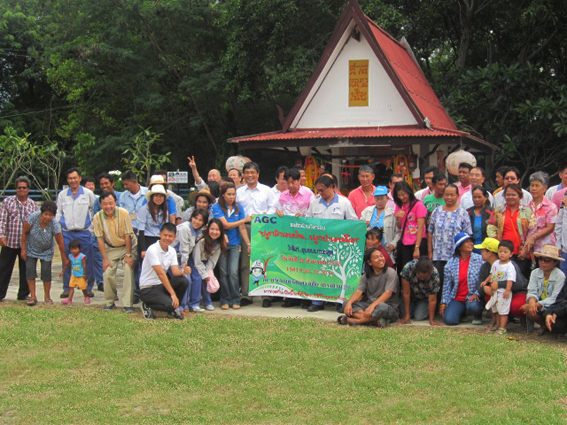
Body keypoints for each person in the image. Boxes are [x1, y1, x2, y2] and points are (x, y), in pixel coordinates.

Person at [306, 175, 357, 312]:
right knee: (318, 273)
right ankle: (317, 301)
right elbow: (308, 221)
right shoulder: (314, 203)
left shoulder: (344, 202)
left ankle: (340, 302)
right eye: (318, 190)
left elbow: (353, 222)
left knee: (338, 274)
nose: (320, 193)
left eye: (322, 190)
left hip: (338, 246)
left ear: (331, 187)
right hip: (319, 246)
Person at [236, 161, 278, 307]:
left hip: (264, 228)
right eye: (247, 172)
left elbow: (274, 206)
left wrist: (267, 215)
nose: (250, 175)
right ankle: (246, 294)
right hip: (245, 228)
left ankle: (267, 295)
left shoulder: (267, 190)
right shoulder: (239, 192)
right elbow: (236, 210)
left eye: (252, 172)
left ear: (258, 174)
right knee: (245, 262)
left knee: (266, 260)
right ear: (243, 175)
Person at [56, 167, 96, 298]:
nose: (73, 180)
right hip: (67, 232)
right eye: (70, 178)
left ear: (79, 178)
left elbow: (94, 212)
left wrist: (92, 230)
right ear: (67, 180)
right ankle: (67, 287)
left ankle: (88, 287)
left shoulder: (88, 194)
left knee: (87, 260)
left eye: (75, 178)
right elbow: (58, 213)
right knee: (67, 260)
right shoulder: (62, 195)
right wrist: (58, 230)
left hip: (84, 232)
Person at [93, 192, 137, 313]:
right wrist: (104, 259)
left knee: (128, 269)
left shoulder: (124, 213)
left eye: (111, 203)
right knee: (108, 272)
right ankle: (109, 302)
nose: (108, 206)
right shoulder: (97, 217)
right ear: (101, 204)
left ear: (115, 202)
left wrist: (128, 255)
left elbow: (129, 236)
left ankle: (128, 304)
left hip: (128, 245)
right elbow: (100, 239)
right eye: (105, 204)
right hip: (111, 247)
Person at [21, 201, 68, 306]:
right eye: (45, 214)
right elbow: (24, 232)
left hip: (46, 251)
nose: (47, 217)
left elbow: (60, 243)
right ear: (41, 213)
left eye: (50, 215)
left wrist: (64, 258)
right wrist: (23, 249)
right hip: (31, 249)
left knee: (46, 272)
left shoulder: (54, 224)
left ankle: (47, 297)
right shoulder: (33, 217)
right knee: (30, 270)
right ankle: (33, 296)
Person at [337, 248, 400, 327]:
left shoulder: (391, 272)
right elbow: (358, 292)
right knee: (346, 303)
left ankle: (356, 321)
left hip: (388, 307)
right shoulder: (366, 276)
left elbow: (388, 293)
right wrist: (349, 303)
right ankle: (374, 320)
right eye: (376, 257)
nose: (380, 259)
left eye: (381, 256)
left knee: (382, 307)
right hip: (369, 305)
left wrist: (372, 307)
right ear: (369, 262)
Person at [139, 223, 190, 320]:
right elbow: (161, 274)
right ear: (160, 234)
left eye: (170, 236)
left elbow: (175, 272)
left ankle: (172, 310)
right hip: (147, 288)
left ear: (175, 237)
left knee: (183, 281)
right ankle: (147, 305)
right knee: (170, 304)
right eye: (165, 235)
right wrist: (173, 294)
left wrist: (184, 270)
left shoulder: (172, 251)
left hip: (160, 286)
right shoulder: (152, 249)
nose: (167, 238)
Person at [213, 183, 251, 310]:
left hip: (235, 245)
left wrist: (248, 244)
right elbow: (225, 225)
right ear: (223, 195)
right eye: (229, 194)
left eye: (233, 194)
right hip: (221, 245)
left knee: (233, 272)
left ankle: (236, 299)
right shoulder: (217, 207)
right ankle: (225, 299)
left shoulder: (238, 207)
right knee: (223, 273)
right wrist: (244, 220)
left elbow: (242, 229)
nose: (231, 197)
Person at [475, 237, 528, 327]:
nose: (481, 252)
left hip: (516, 292)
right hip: (499, 293)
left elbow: (519, 285)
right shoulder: (485, 266)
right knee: (490, 296)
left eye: (483, 250)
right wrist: (484, 288)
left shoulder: (510, 265)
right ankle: (495, 321)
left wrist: (499, 284)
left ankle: (519, 319)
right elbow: (480, 284)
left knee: (516, 306)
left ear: (490, 252)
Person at [0, 176, 38, 301]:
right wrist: (2, 235)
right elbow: (2, 220)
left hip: (26, 245)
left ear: (28, 189)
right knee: (3, 269)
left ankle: (23, 295)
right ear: (16, 189)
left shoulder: (33, 205)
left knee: (26, 270)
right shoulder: (8, 202)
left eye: (24, 187)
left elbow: (36, 223)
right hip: (9, 242)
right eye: (19, 187)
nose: (21, 190)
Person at [428, 184, 472, 289]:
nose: (449, 197)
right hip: (438, 255)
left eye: (452, 195)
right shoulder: (436, 211)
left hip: (456, 255)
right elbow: (430, 232)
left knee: (454, 284)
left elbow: (468, 235)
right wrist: (430, 252)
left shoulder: (463, 213)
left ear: (457, 196)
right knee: (439, 283)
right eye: (446, 194)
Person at [487, 183, 536, 277]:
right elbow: (491, 228)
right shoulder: (498, 211)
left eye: (513, 195)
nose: (510, 197)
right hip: (503, 252)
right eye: (508, 194)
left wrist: (526, 249)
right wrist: (497, 243)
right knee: (503, 278)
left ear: (520, 196)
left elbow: (533, 230)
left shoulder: (527, 211)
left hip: (522, 253)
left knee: (520, 279)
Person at [440, 233, 484, 326]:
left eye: (471, 241)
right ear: (459, 247)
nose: (470, 243)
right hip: (457, 298)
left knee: (474, 307)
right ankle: (462, 313)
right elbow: (447, 285)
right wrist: (443, 302)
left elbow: (484, 279)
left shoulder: (479, 259)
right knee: (449, 320)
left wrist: (477, 293)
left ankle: (477, 315)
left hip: (473, 296)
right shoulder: (451, 263)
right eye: (467, 242)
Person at [520, 245, 565, 335]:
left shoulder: (560, 276)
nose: (542, 262)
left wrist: (535, 304)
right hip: (540, 304)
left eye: (547, 260)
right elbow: (532, 290)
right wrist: (532, 301)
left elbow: (555, 298)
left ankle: (547, 326)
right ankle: (544, 325)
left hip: (554, 306)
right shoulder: (535, 272)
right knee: (529, 309)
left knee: (531, 308)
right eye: (540, 259)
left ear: (555, 262)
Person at [188, 219, 227, 312]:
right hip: (194, 262)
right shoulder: (201, 241)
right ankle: (194, 304)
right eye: (212, 229)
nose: (214, 232)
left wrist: (208, 273)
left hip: (205, 263)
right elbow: (196, 260)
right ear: (207, 229)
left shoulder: (219, 243)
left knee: (207, 279)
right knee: (197, 278)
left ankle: (207, 302)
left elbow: (213, 261)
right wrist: (204, 274)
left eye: (217, 230)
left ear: (221, 232)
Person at [175, 208, 208, 314]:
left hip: (186, 257)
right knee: (186, 279)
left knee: (197, 276)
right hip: (175, 257)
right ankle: (181, 305)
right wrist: (184, 268)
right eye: (195, 218)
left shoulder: (199, 231)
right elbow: (184, 250)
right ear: (191, 218)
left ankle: (193, 304)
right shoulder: (185, 228)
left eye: (200, 220)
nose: (197, 222)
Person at [480, 240, 516, 335]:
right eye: (500, 251)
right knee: (495, 308)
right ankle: (497, 325)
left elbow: (510, 280)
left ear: (511, 254)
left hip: (503, 291)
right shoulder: (496, 263)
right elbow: (492, 274)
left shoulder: (510, 266)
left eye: (505, 252)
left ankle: (502, 328)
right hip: (494, 291)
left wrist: (508, 290)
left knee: (503, 311)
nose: (502, 254)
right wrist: (486, 281)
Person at [398, 257, 444, 326]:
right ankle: (411, 311)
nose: (422, 279)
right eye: (421, 277)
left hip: (424, 298)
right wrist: (406, 315)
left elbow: (432, 299)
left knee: (419, 317)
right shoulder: (408, 268)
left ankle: (421, 308)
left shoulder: (435, 274)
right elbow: (406, 292)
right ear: (416, 271)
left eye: (425, 278)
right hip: (411, 296)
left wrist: (431, 320)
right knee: (403, 314)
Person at [393, 181, 427, 273]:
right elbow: (399, 226)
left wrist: (417, 248)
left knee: (419, 269)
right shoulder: (399, 205)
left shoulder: (418, 205)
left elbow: (421, 228)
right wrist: (397, 218)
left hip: (418, 242)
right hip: (405, 242)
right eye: (399, 195)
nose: (401, 197)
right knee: (406, 270)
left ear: (409, 192)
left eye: (403, 195)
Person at [525, 172, 557, 265]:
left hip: (545, 248)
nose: (534, 188)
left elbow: (550, 227)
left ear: (545, 188)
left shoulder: (551, 207)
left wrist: (533, 237)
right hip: (529, 249)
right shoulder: (526, 207)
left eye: (537, 186)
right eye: (532, 185)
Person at [360, 186, 399, 262]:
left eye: (382, 198)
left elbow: (398, 232)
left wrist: (393, 244)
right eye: (377, 198)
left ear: (387, 198)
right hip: (370, 249)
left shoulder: (392, 213)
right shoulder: (367, 211)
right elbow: (359, 228)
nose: (379, 201)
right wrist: (365, 228)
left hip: (386, 250)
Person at [138, 184, 171, 259]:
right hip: (146, 238)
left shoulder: (164, 210)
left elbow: (164, 228)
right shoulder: (144, 209)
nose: (158, 198)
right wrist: (143, 249)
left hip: (158, 238)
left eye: (161, 196)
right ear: (152, 197)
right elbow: (141, 230)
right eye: (156, 196)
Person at [60, 239, 91, 305]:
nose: (73, 251)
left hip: (81, 275)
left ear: (79, 249)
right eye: (71, 249)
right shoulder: (71, 256)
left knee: (83, 287)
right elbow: (67, 265)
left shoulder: (82, 256)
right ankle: (69, 299)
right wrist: (63, 271)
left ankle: (86, 296)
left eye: (75, 249)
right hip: (74, 275)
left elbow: (84, 265)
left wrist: (85, 274)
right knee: (71, 287)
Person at [467, 186, 493, 253]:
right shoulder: (467, 213)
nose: (476, 200)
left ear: (486, 197)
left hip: (487, 249)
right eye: (474, 197)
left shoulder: (492, 212)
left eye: (479, 197)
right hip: (470, 249)